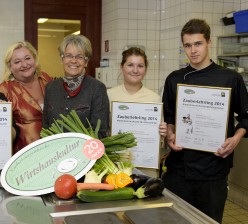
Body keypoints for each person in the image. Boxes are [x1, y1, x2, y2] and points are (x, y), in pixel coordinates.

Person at [162, 18, 248, 223]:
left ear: (209, 43)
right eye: (188, 45)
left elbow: (246, 117)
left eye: (198, 43)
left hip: (213, 172)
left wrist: (236, 139)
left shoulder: (229, 78)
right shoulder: (174, 79)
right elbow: (171, 118)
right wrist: (171, 135)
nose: (193, 50)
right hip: (179, 171)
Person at [107, 47, 167, 177]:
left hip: (146, 169)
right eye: (130, 65)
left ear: (145, 69)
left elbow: (160, 142)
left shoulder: (154, 98)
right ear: (121, 67)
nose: (135, 70)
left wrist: (162, 132)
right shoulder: (109, 95)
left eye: (140, 66)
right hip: (116, 168)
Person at [42, 34, 110, 138]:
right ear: (62, 59)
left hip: (83, 152)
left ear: (86, 62)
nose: (73, 61)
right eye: (68, 56)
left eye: (79, 57)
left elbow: (100, 132)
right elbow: (45, 128)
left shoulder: (97, 89)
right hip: (54, 152)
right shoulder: (51, 88)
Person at [0, 41, 52, 154]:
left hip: (53, 149)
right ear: (10, 66)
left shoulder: (46, 79)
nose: (24, 64)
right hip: (25, 153)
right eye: (17, 62)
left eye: (27, 58)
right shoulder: (5, 89)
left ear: (34, 59)